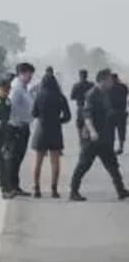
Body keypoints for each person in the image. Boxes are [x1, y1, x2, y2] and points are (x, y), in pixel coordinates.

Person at [70, 68, 129, 201]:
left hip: (104, 136)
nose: (112, 82)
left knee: (112, 165)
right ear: (103, 80)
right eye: (109, 80)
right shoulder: (92, 94)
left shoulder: (105, 93)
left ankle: (121, 190)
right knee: (84, 165)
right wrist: (92, 131)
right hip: (92, 138)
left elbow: (107, 112)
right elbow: (87, 116)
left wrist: (118, 115)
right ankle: (73, 191)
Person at [30, 70, 71, 198]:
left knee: (38, 161)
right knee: (55, 161)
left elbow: (34, 113)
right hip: (55, 130)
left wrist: (43, 117)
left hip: (41, 129)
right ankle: (54, 189)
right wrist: (58, 121)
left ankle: (36, 188)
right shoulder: (60, 97)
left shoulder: (39, 96)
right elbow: (68, 116)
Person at [5, 62, 36, 196]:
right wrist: (17, 122)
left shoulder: (23, 88)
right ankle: (11, 186)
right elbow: (11, 109)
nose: (30, 77)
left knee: (17, 158)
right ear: (21, 74)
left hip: (23, 126)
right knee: (14, 158)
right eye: (29, 74)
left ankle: (15, 186)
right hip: (16, 127)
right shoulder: (16, 89)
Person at [109, 72, 129, 154]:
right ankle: (121, 147)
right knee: (121, 131)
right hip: (122, 112)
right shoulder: (123, 87)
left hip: (111, 112)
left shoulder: (109, 88)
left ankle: (111, 148)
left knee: (111, 131)